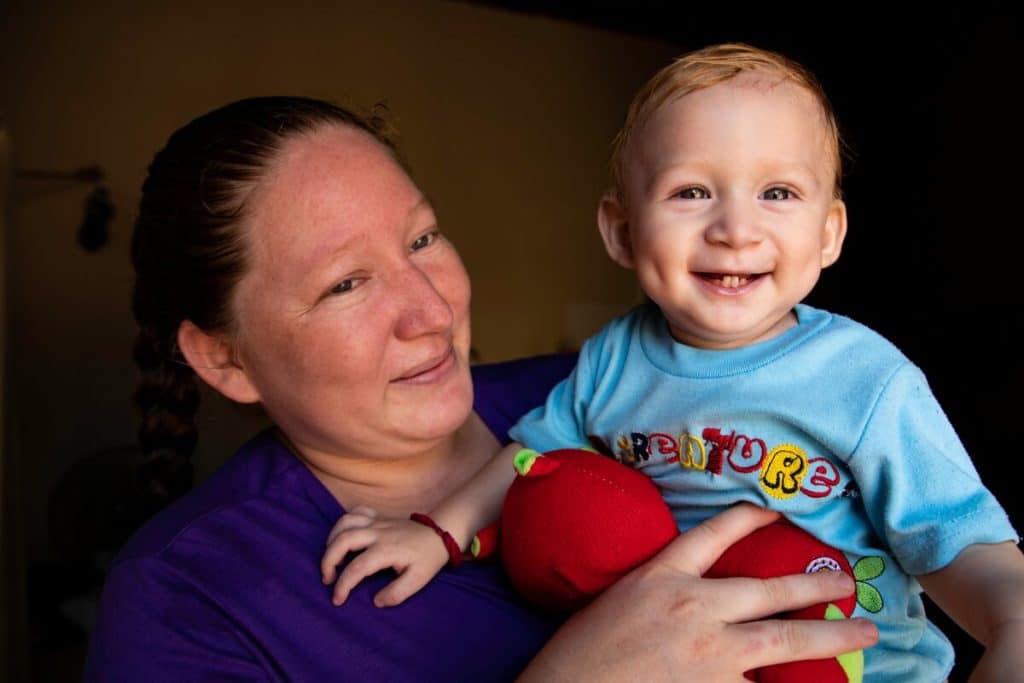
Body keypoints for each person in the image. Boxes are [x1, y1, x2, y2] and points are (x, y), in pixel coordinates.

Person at [82, 95, 876, 682]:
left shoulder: (607, 391)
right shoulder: (184, 601)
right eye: (347, 283)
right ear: (224, 359)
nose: (431, 311)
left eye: (423, 238)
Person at [322, 45, 1024, 681]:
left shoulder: (864, 377)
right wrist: (438, 533)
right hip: (683, 661)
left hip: (862, 670)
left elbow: (952, 533)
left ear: (829, 232)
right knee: (567, 496)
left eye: (777, 193)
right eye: (692, 191)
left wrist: (1009, 620)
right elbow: (529, 455)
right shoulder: (614, 359)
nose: (735, 228)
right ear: (622, 230)